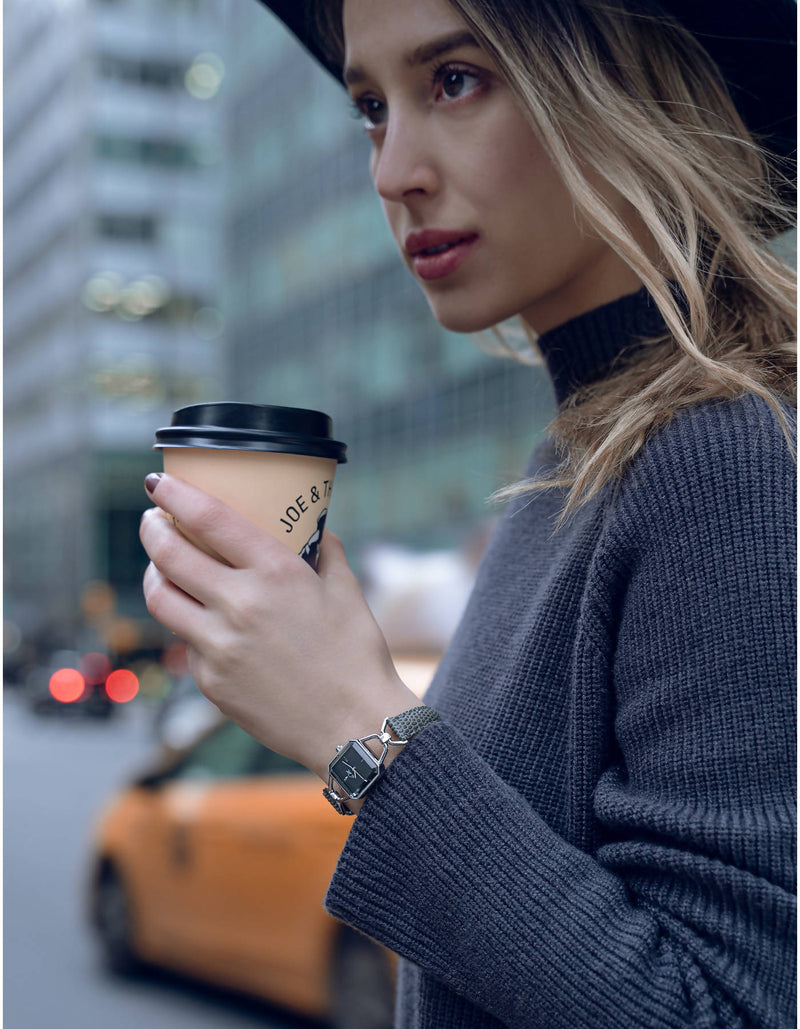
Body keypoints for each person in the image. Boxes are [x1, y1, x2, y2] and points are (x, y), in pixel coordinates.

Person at [139, 0, 796, 1025]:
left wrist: (353, 725)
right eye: (370, 105)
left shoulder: (721, 455)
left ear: (616, 88)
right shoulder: (581, 454)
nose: (391, 170)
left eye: (452, 81)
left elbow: (717, 1007)